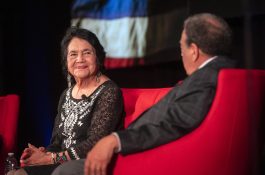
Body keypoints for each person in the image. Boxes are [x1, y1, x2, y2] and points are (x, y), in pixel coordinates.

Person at [51, 13, 236, 175]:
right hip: (148, 154)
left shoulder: (207, 81)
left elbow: (172, 124)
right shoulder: (224, 76)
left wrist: (115, 140)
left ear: (194, 51)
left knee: (65, 171)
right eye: (72, 55)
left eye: (181, 48)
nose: (182, 55)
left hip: (148, 159)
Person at [8, 27, 124, 175]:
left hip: (90, 162)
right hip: (60, 162)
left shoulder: (109, 92)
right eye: (73, 54)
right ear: (66, 61)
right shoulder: (66, 94)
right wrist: (42, 155)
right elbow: (57, 143)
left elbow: (94, 144)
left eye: (87, 53)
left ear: (98, 58)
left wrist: (49, 158)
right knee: (16, 173)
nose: (80, 59)